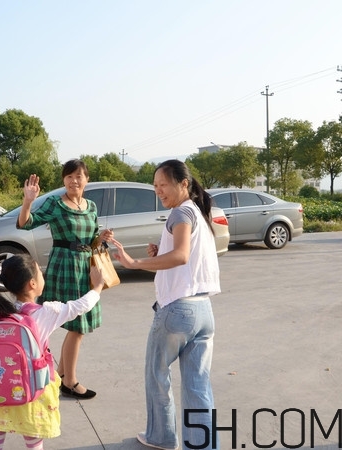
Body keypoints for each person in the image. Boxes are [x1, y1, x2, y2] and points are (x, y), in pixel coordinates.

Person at [110, 160, 221, 450]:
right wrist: (162, 252)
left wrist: (136, 263)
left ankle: (161, 436)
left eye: (163, 185)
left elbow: (182, 256)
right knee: (198, 386)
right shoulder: (198, 212)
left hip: (177, 311)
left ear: (183, 184)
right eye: (155, 186)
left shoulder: (180, 212)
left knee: (157, 375)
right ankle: (204, 445)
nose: (158, 191)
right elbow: (187, 257)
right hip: (203, 311)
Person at [0, 254, 105, 450]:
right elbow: (80, 306)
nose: (42, 276)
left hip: (2, 388)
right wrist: (97, 286)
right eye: (40, 273)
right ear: (32, 284)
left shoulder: (3, 311)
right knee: (33, 436)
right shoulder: (46, 312)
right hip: (32, 387)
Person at [17, 159, 113, 399]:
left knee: (78, 323)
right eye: (69, 176)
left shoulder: (90, 206)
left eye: (79, 176)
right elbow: (25, 224)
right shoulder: (55, 203)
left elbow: (91, 239)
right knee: (76, 326)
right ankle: (69, 381)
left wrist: (100, 238)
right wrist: (28, 201)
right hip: (64, 264)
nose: (74, 181)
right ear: (64, 180)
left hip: (85, 266)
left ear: (86, 180)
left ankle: (59, 373)